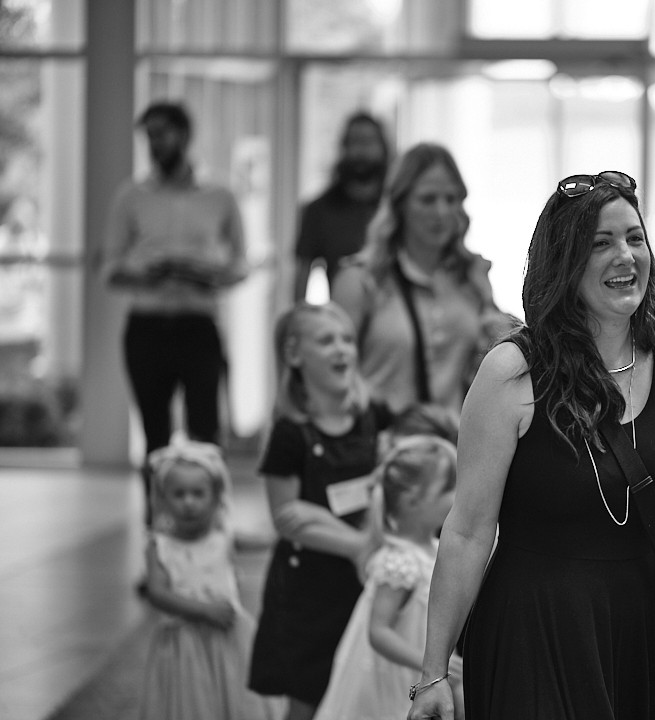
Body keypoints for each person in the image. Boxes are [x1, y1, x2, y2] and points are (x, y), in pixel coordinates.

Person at [406, 171, 655, 720]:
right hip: (536, 630)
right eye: (601, 243)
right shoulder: (512, 373)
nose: (625, 256)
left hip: (642, 629)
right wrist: (433, 673)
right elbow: (468, 531)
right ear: (563, 262)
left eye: (635, 238)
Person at [100, 101, 248, 527]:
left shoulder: (219, 196)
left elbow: (240, 265)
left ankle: (212, 525)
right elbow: (110, 267)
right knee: (155, 434)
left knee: (206, 430)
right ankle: (159, 526)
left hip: (199, 325)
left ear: (184, 135)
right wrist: (146, 272)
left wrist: (205, 273)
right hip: (147, 327)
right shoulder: (131, 196)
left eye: (161, 134)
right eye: (149, 136)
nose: (155, 144)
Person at [249, 301, 393, 720]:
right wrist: (357, 544)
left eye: (347, 339)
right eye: (327, 340)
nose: (342, 349)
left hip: (361, 584)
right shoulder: (289, 434)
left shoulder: (374, 417)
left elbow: (389, 484)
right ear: (295, 355)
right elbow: (287, 518)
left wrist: (325, 523)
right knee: (308, 697)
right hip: (307, 591)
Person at [330, 142, 510, 416]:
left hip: (454, 437)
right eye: (428, 199)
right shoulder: (361, 279)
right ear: (400, 205)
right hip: (381, 436)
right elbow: (332, 375)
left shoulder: (470, 277)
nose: (441, 212)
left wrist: (487, 299)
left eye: (451, 199)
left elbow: (499, 358)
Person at [315, 435, 464, 720]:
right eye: (449, 487)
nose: (458, 494)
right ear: (413, 501)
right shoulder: (399, 561)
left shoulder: (436, 549)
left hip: (420, 670)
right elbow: (378, 631)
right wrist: (429, 666)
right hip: (393, 677)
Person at [139, 440, 281, 720]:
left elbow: (264, 540)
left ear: (216, 497)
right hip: (183, 646)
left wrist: (284, 536)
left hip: (229, 638)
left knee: (233, 696)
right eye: (178, 494)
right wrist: (204, 610)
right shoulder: (159, 546)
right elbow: (157, 593)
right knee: (190, 702)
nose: (188, 503)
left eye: (198, 494)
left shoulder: (223, 537)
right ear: (161, 499)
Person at [293, 112, 390, 302]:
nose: (362, 151)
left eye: (369, 142)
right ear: (343, 148)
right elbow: (301, 277)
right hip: (343, 313)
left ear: (383, 148)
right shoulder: (318, 210)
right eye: (355, 142)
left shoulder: (397, 207)